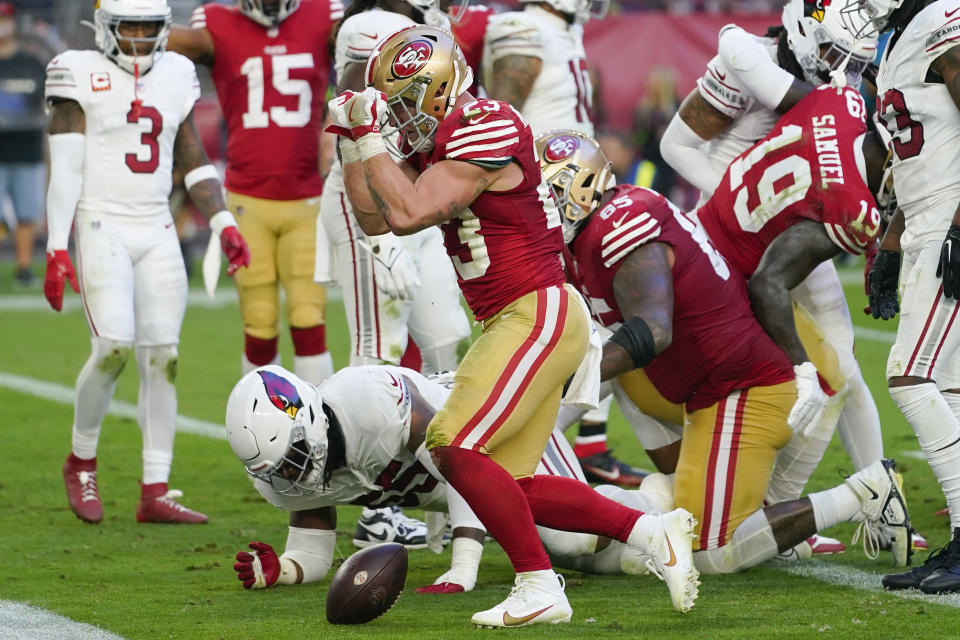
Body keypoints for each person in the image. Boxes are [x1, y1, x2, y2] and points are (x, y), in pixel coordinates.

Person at [333, 25, 700, 625]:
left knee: (451, 443)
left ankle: (539, 586)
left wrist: (369, 131)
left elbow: (408, 212)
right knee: (509, 482)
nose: (398, 117)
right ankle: (651, 532)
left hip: (536, 311)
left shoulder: (489, 122)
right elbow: (374, 219)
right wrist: (353, 142)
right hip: (514, 318)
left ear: (438, 86)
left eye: (403, 101)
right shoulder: (441, 138)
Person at [539, 128, 910, 574]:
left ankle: (865, 491)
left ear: (580, 188)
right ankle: (696, 506)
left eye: (547, 194)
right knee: (679, 505)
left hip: (744, 386)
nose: (535, 207)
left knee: (711, 553)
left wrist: (551, 380)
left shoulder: (623, 221)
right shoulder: (587, 233)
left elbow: (651, 331)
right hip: (705, 388)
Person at [658, 0, 904, 556]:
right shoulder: (756, 64)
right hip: (736, 235)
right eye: (836, 53)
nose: (845, 69)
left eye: (856, 61)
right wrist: (731, 194)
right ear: (802, 31)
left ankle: (880, 507)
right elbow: (676, 145)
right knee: (758, 378)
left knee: (842, 370)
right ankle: (765, 506)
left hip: (798, 225)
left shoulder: (818, 89)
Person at [45, 0, 250, 524]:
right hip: (100, 222)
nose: (138, 36)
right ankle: (81, 461)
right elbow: (66, 169)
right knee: (112, 346)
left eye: (149, 26)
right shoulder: (78, 70)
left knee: (164, 357)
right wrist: (55, 247)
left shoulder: (177, 72)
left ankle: (155, 489)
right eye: (128, 25)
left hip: (157, 226)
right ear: (105, 28)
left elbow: (192, 157)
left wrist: (224, 222)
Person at [224, 364, 675, 592]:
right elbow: (313, 551)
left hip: (490, 434)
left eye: (295, 457)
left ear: (309, 418)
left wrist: (464, 564)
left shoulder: (369, 404)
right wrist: (283, 569)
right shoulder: (281, 472)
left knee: (573, 544)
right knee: (581, 552)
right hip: (460, 474)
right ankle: (642, 531)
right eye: (281, 468)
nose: (293, 475)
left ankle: (656, 503)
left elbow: (463, 463)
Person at [482, 0, 645, 487]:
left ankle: (590, 445)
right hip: (551, 198)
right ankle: (507, 442)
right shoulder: (522, 28)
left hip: (579, 192)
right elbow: (495, 126)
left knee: (604, 317)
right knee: (573, 323)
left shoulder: (561, 29)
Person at [166, 0, 340, 385]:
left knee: (310, 320)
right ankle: (263, 431)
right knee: (259, 325)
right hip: (248, 200)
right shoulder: (214, 22)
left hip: (308, 197)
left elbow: (362, 56)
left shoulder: (324, 14)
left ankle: (322, 431)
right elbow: (155, 41)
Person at [861, 0, 960, 594]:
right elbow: (910, 153)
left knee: (909, 377)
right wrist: (891, 241)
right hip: (925, 221)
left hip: (949, 218)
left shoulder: (945, 17)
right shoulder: (898, 36)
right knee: (947, 386)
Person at [0, 2, 47, 287]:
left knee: (27, 214)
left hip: (27, 150)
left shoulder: (32, 61)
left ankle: (24, 268)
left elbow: (42, 101)